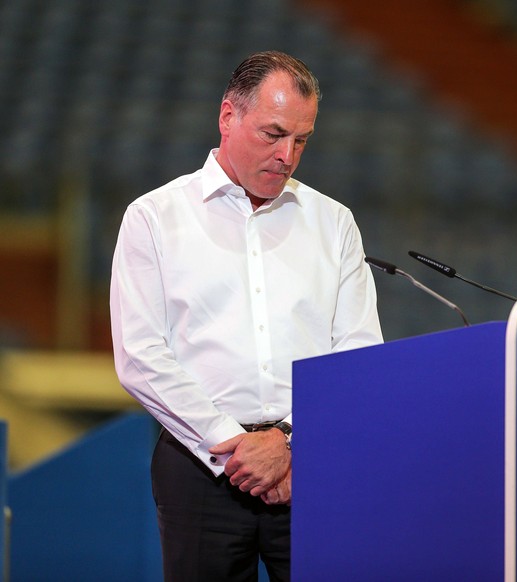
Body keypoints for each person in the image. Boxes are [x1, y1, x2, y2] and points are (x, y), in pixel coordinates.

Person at [109, 51, 383, 581]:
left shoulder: (334, 223)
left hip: (310, 468)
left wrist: (287, 443)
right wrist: (238, 450)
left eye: (301, 140)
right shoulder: (153, 218)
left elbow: (357, 353)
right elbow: (140, 357)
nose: (287, 155)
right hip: (200, 473)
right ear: (228, 117)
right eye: (274, 133)